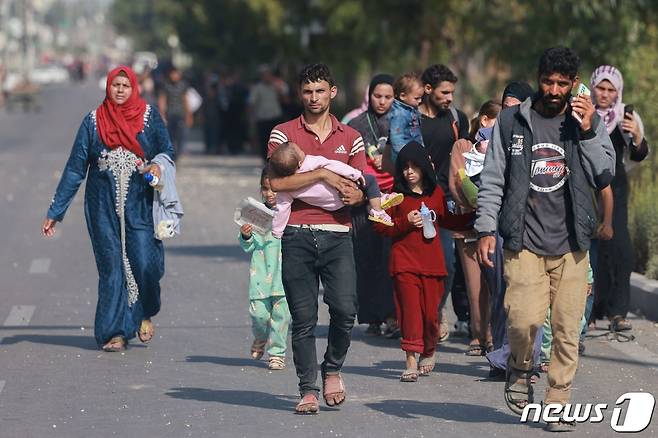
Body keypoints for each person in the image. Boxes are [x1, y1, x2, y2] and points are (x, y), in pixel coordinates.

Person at [475, 47, 615, 432]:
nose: (554, 89)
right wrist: (486, 229)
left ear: (573, 84)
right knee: (523, 320)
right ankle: (519, 369)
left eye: (562, 83)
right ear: (539, 79)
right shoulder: (511, 121)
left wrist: (588, 130)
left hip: (572, 245)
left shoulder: (584, 121)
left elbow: (604, 172)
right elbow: (493, 180)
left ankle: (558, 400)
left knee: (569, 329)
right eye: (548, 81)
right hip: (524, 242)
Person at [42, 66, 175, 352]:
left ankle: (145, 311)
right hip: (102, 205)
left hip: (140, 204)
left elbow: (166, 151)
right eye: (115, 85)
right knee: (112, 267)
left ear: (134, 88)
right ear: (108, 87)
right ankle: (115, 331)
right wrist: (56, 211)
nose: (120, 90)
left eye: (125, 85)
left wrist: (155, 166)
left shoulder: (149, 118)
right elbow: (75, 169)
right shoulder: (92, 122)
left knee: (144, 264)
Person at [267, 63, 366, 414]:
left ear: (332, 92)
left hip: (339, 234)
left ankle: (333, 367)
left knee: (345, 310)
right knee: (304, 316)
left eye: (320, 91)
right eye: (307, 91)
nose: (314, 98)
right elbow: (275, 183)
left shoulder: (351, 136)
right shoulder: (282, 134)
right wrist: (323, 171)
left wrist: (359, 196)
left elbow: (359, 186)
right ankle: (308, 388)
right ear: (299, 94)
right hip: (297, 234)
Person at [373, 141, 473, 382]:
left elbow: (447, 220)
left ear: (424, 169)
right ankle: (410, 359)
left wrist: (475, 216)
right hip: (404, 264)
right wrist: (405, 221)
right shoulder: (394, 197)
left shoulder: (436, 193)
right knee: (409, 313)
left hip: (432, 265)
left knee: (430, 316)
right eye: (405, 167)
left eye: (414, 167)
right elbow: (379, 224)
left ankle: (428, 351)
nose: (409, 172)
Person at [590, 65, 650, 332]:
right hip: (589, 186)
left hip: (617, 184)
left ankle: (618, 313)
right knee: (592, 250)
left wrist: (636, 135)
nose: (604, 94)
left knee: (621, 249)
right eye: (600, 88)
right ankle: (590, 310)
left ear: (618, 91)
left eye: (610, 89)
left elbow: (638, 154)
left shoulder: (626, 115)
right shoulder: (584, 112)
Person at [418, 64, 470, 341]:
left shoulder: (456, 118)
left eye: (452, 92)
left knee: (447, 264)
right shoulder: (411, 120)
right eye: (444, 92)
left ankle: (437, 311)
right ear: (428, 90)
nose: (450, 97)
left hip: (447, 202)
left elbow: (466, 158)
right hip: (416, 201)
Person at [449, 100, 502, 355]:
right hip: (468, 226)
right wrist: (477, 202)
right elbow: (458, 184)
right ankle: (478, 334)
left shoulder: (502, 147)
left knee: (496, 282)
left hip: (495, 227)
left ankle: (493, 334)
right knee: (475, 285)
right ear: (484, 120)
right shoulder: (463, 146)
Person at [347, 74, 397, 337]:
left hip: (393, 197)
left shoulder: (401, 123)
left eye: (388, 97)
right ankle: (371, 316)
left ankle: (391, 314)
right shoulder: (355, 125)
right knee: (365, 257)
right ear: (369, 96)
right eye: (378, 96)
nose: (382, 101)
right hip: (363, 200)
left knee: (390, 257)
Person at [268, 142, 402, 236]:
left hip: (332, 206)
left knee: (366, 190)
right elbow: (334, 165)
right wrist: (355, 173)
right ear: (299, 162)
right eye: (300, 151)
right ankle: (377, 210)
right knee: (370, 181)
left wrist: (277, 231)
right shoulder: (311, 162)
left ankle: (380, 199)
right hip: (343, 190)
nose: (303, 150)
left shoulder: (288, 187)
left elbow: (282, 209)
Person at [239, 168, 291, 370]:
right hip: (261, 276)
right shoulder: (256, 213)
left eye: (275, 189)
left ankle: (277, 353)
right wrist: (246, 235)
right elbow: (248, 246)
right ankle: (260, 337)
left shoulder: (292, 212)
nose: (270, 194)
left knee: (282, 318)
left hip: (285, 277)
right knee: (259, 315)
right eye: (265, 188)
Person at [249, 65, 285, 161]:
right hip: (263, 118)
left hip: (276, 117)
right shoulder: (257, 88)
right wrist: (252, 117)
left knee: (277, 140)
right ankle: (265, 160)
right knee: (264, 140)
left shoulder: (276, 86)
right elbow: (252, 103)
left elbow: (284, 99)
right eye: (264, 75)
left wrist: (279, 90)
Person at [388, 73, 425, 163]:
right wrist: (406, 155)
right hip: (403, 157)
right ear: (403, 96)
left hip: (414, 153)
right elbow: (396, 137)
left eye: (421, 98)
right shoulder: (399, 114)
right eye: (416, 98)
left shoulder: (411, 110)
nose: (420, 101)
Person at [158, 66, 192, 158]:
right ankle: (173, 152)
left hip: (180, 113)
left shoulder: (183, 85)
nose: (174, 76)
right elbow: (162, 100)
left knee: (181, 134)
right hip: (170, 113)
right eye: (173, 74)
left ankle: (179, 151)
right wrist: (162, 114)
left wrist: (189, 114)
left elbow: (185, 100)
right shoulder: (166, 85)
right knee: (171, 135)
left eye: (176, 74)